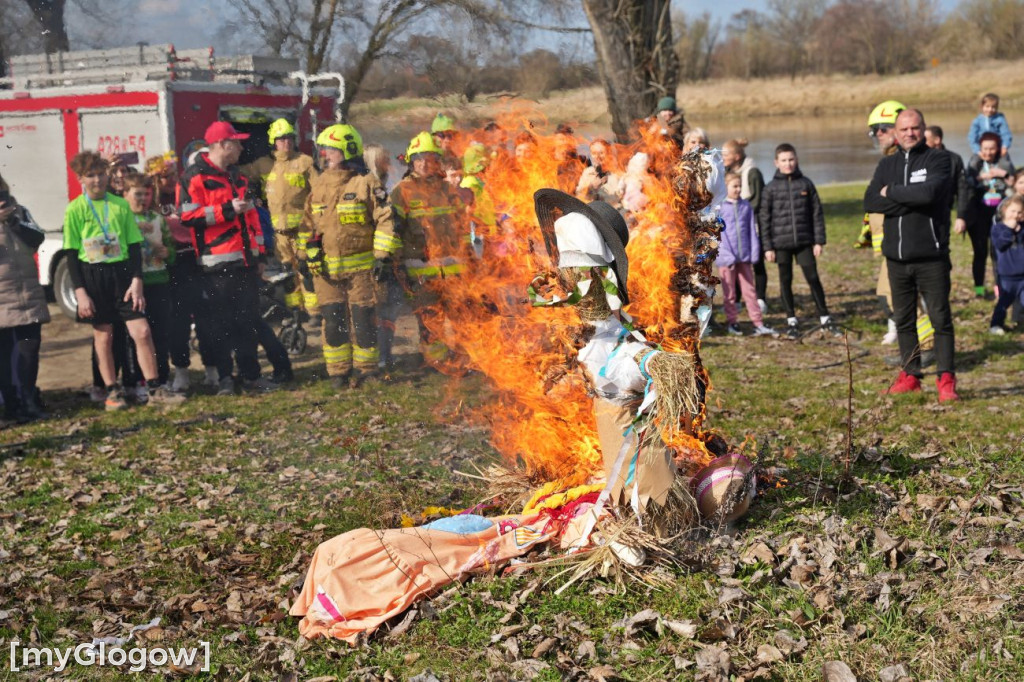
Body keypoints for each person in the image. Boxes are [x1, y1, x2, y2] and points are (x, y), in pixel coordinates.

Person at [62, 151, 185, 410]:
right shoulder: (75, 208)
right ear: (81, 179)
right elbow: (72, 254)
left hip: (122, 276)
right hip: (93, 275)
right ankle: (111, 391)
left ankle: (154, 388)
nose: (98, 180)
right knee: (104, 336)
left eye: (101, 174)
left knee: (141, 331)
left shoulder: (119, 205)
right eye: (91, 175)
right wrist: (81, 292)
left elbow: (133, 246)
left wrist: (137, 280)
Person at [864, 108, 958, 402]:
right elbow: (870, 200)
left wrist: (890, 192)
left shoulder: (940, 159)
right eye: (903, 129)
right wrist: (909, 197)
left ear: (923, 129)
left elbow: (930, 195)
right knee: (904, 319)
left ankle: (946, 379)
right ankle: (911, 375)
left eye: (914, 128)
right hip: (896, 258)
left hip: (931, 256)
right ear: (895, 131)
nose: (909, 133)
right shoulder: (887, 164)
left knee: (940, 318)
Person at [179, 121, 273, 395]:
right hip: (215, 267)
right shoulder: (193, 178)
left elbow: (253, 218)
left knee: (247, 323)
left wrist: (260, 256)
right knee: (220, 327)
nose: (242, 147)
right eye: (237, 142)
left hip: (245, 264)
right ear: (222, 144)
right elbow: (188, 217)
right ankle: (225, 380)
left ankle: (252, 378)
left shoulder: (239, 177)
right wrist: (226, 210)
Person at [302, 124, 399, 389]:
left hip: (362, 272)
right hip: (327, 274)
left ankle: (367, 372)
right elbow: (308, 225)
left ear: (347, 150)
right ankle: (338, 373)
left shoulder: (367, 183)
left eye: (330, 149)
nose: (324, 154)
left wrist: (382, 256)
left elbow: (385, 220)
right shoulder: (319, 184)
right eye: (323, 149)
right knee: (333, 322)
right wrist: (305, 257)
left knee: (364, 321)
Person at [391, 132, 468, 367]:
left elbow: (461, 226)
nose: (424, 164)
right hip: (421, 271)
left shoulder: (448, 190)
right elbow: (393, 231)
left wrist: (470, 258)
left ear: (437, 161)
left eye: (429, 158)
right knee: (429, 319)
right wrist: (394, 265)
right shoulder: (401, 191)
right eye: (419, 159)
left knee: (461, 318)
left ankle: (464, 359)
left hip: (453, 268)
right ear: (411, 162)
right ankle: (436, 362)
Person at [759, 143, 840, 339]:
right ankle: (791, 320)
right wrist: (767, 246)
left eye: (791, 159)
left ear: (797, 160)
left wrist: (819, 241)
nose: (788, 164)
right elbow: (764, 219)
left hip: (805, 242)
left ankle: (825, 318)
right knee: (785, 281)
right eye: (784, 160)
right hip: (781, 244)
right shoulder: (770, 189)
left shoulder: (806, 184)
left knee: (813, 278)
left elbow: (817, 213)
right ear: (776, 163)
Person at [243, 118, 320, 320]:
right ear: (273, 142)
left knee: (306, 269)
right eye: (281, 139)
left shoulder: (304, 162)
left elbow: (320, 191)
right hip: (278, 233)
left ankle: (315, 313)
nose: (286, 142)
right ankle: (296, 311)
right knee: (287, 273)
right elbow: (241, 175)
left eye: (289, 138)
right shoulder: (263, 165)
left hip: (303, 229)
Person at [0, 174, 50, 423]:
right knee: (5, 355)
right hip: (1, 298)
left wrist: (13, 221)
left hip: (27, 293)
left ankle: (28, 400)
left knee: (29, 350)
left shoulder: (19, 211)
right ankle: (11, 405)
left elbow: (37, 238)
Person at [124, 172, 174, 392]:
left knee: (160, 333)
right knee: (136, 335)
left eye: (146, 194)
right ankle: (139, 380)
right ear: (125, 195)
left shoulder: (157, 218)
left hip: (158, 280)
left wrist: (167, 252)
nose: (142, 199)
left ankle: (162, 377)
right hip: (134, 284)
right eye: (137, 194)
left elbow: (171, 247)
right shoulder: (123, 218)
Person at [718, 172, 775, 337]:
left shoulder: (746, 206)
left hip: (745, 258)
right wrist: (727, 255)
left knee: (750, 291)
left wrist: (754, 252)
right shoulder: (720, 208)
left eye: (740, 186)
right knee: (730, 293)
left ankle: (758, 322)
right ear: (725, 187)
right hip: (726, 259)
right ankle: (732, 322)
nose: (738, 189)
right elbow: (718, 235)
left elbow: (751, 230)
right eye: (734, 186)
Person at [960, 132, 1014, 297]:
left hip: (999, 213)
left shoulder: (1004, 162)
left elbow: (1015, 182)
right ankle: (979, 289)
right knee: (980, 252)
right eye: (985, 148)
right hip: (979, 214)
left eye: (992, 148)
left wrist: (1002, 174)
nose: (989, 152)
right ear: (980, 148)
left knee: (997, 253)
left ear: (997, 148)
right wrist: (979, 177)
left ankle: (999, 289)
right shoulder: (975, 163)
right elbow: (967, 182)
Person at [721, 138, 768, 314]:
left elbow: (758, 199)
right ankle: (737, 300)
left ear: (737, 156)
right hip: (734, 226)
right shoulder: (728, 171)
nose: (723, 156)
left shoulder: (752, 172)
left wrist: (740, 208)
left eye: (726, 154)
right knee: (736, 262)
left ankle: (761, 298)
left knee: (756, 263)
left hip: (752, 224)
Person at [989, 195, 1024, 334]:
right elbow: (1000, 244)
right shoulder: (998, 228)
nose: (1016, 215)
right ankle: (996, 324)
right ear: (1004, 210)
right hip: (1007, 276)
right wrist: (1010, 230)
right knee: (1003, 303)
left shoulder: (1022, 228)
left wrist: (1019, 230)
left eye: (1020, 212)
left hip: (1022, 275)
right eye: (1013, 211)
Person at [575, 138, 625, 209]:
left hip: (612, 213)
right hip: (592, 212)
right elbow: (579, 196)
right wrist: (591, 188)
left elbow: (622, 199)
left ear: (608, 153)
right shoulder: (588, 173)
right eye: (594, 153)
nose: (598, 157)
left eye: (601, 153)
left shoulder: (617, 173)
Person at [968, 93, 1013, 158]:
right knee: (973, 164)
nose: (990, 109)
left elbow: (1006, 134)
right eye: (987, 106)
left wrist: (1004, 147)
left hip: (998, 150)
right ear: (982, 107)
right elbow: (972, 137)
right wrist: (977, 151)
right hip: (982, 150)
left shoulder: (1000, 120)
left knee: (1006, 165)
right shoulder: (977, 121)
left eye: (993, 107)